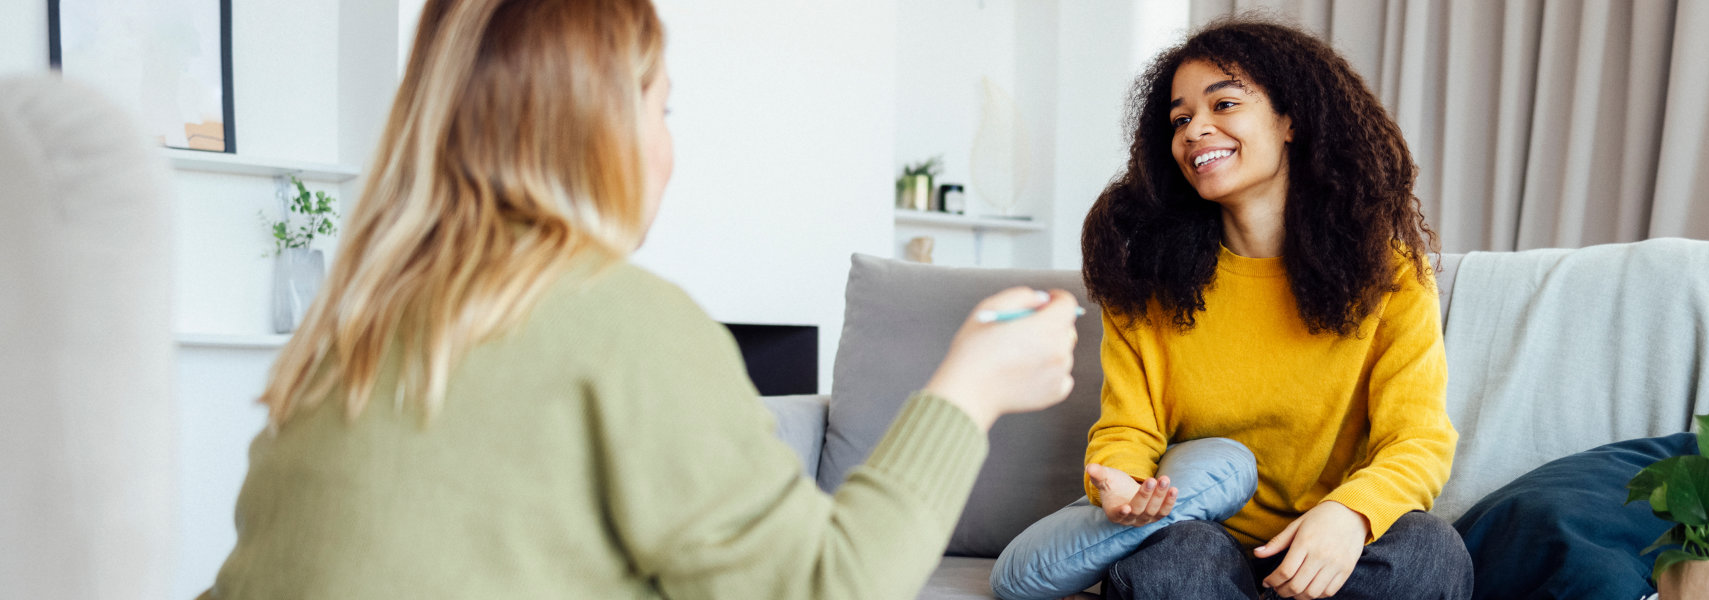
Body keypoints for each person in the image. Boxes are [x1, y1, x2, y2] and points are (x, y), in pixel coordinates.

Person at [202, 0, 1081, 598]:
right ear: (601, 125)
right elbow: (829, 584)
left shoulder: (349, 327)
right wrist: (970, 388)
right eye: (664, 110)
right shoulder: (620, 318)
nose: (667, 145)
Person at [1078, 17, 1472, 600]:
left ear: (1290, 120)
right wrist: (1121, 486)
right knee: (1173, 563)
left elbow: (1417, 439)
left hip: (1333, 551)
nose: (1195, 130)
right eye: (1180, 119)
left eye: (1225, 104)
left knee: (1431, 551)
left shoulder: (1389, 275)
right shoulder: (1144, 281)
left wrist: (1352, 515)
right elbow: (1127, 428)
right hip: (1202, 544)